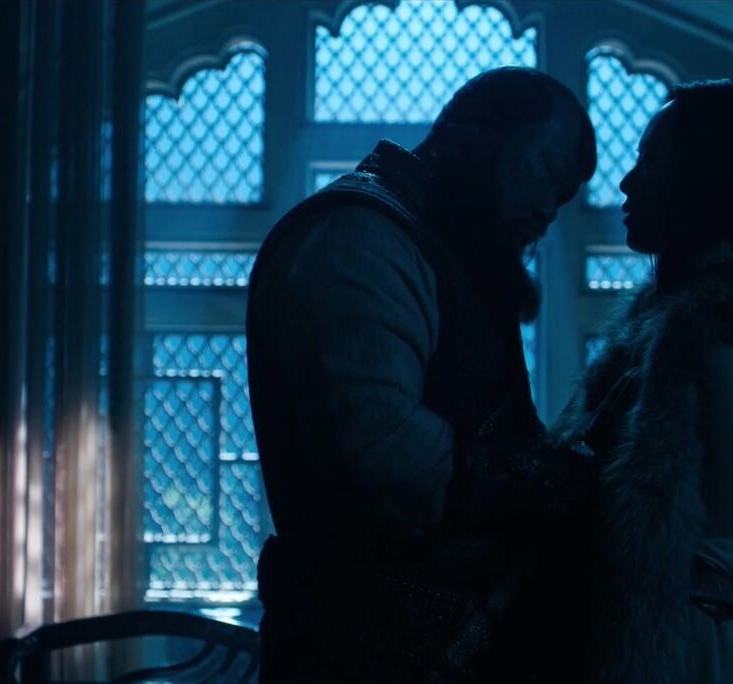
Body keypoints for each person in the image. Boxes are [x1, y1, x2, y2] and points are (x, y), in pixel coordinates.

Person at [246, 67, 598, 682]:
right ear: (484, 134)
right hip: (358, 658)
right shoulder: (359, 237)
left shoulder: (445, 245)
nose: (548, 209)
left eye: (564, 199)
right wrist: (543, 482)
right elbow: (384, 455)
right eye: (545, 172)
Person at [555, 79, 733, 682]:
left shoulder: (725, 347)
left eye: (652, 163)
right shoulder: (665, 335)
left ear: (709, 184)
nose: (627, 183)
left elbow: (720, 568)